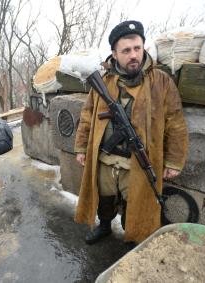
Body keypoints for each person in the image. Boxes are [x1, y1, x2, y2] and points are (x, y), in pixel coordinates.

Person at [74, 20, 188, 245]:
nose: (133, 55)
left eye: (137, 48)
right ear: (114, 54)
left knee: (135, 203)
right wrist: (80, 147)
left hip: (137, 162)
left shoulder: (161, 82)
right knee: (104, 198)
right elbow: (87, 115)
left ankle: (133, 236)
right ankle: (105, 227)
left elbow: (175, 121)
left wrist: (174, 161)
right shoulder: (103, 82)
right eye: (126, 51)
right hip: (105, 159)